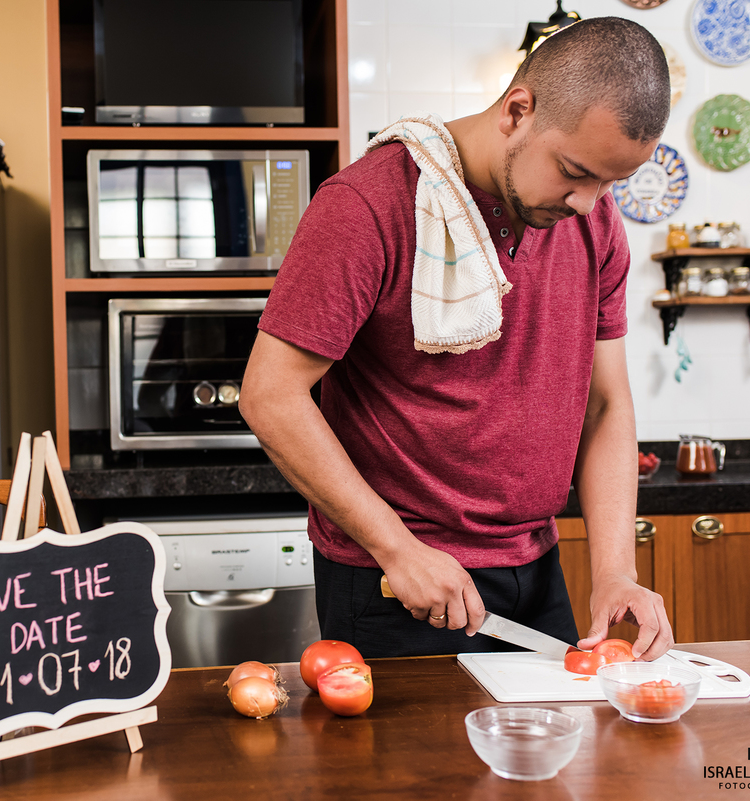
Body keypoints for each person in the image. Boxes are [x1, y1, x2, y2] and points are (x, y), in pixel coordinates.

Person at [240, 17, 675, 660]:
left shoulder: (594, 222)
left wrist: (615, 570)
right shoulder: (368, 206)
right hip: (400, 580)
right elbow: (270, 395)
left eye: (612, 182)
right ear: (518, 111)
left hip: (538, 569)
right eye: (575, 171)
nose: (589, 203)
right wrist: (397, 549)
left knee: (551, 762)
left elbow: (606, 405)